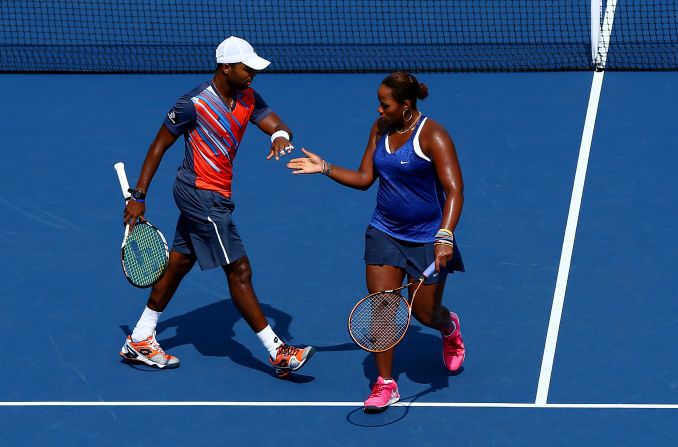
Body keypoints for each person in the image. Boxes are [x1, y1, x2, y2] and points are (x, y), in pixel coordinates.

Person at [119, 36, 314, 378]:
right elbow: (158, 145)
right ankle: (277, 351)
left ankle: (140, 337)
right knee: (239, 270)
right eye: (246, 67)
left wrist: (279, 136)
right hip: (200, 194)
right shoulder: (192, 104)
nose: (253, 72)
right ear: (226, 68)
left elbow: (279, 125)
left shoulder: (248, 96)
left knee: (180, 262)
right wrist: (139, 195)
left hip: (217, 194)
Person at [287, 71, 465, 411]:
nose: (379, 110)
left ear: (406, 105)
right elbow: (365, 177)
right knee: (383, 308)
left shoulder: (434, 136)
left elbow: (454, 189)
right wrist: (325, 167)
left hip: (428, 237)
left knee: (425, 314)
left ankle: (448, 326)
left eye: (385, 105)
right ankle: (386, 383)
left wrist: (445, 236)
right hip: (384, 231)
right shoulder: (380, 128)